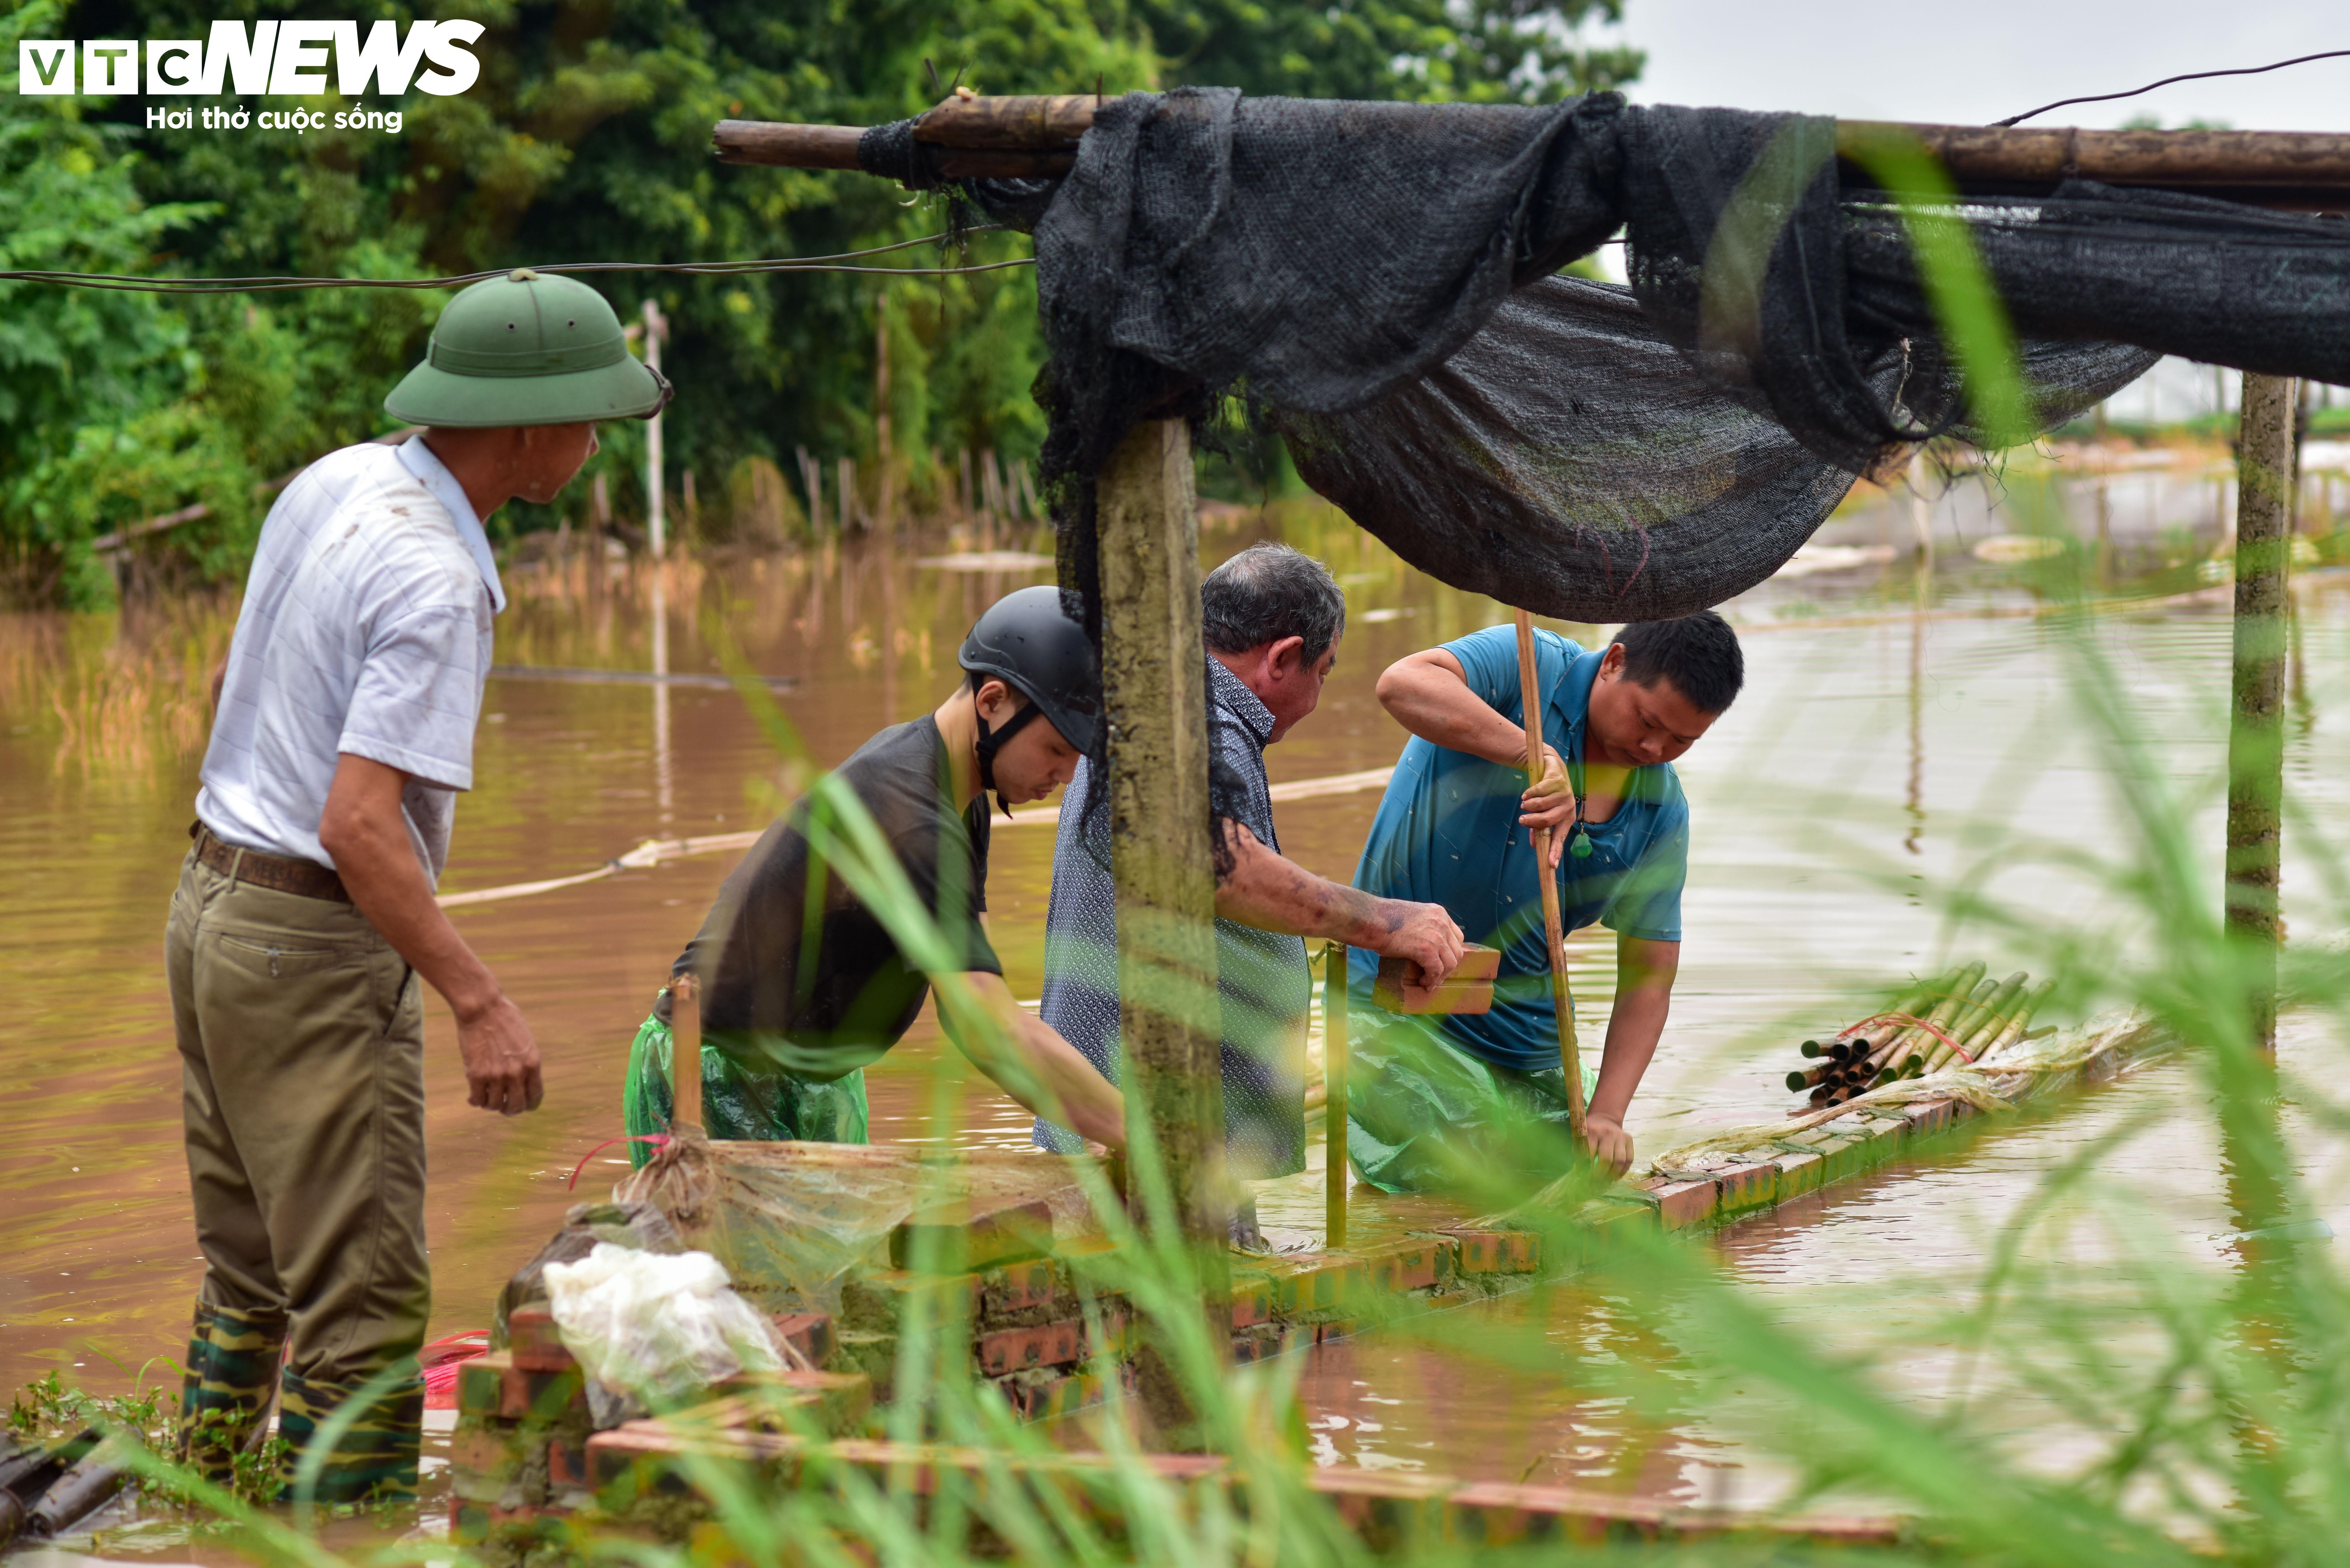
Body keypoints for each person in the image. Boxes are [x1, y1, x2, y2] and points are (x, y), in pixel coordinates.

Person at [168, 269, 665, 1501]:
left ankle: (209, 1507)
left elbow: (246, 674)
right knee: (368, 1317)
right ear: (528, 427)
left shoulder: (338, 478)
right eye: (590, 417)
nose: (598, 443)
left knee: (249, 1273)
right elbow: (359, 822)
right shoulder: (436, 575)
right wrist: (476, 995)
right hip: (305, 947)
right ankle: (346, 1531)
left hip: (209, 910)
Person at [624, 586, 1128, 1158]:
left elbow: (975, 999)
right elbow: (990, 1034)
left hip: (810, 1075)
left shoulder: (961, 800)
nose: (1064, 776)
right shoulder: (915, 818)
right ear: (993, 701)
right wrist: (1141, 1136)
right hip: (719, 1077)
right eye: (1057, 749)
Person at [1033, 544, 1466, 1200]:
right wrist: (1385, 923)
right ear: (1283, 656)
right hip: (1144, 1122)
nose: (1319, 695)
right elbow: (1223, 867)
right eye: (1323, 671)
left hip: (1142, 1109)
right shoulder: (1200, 720)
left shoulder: (1172, 702)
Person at [1344, 612, 1744, 1191]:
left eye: (1682, 740)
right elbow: (1401, 684)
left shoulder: (1661, 813)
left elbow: (1648, 979)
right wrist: (1535, 754)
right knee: (1458, 1178)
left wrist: (1607, 1114)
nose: (1655, 747)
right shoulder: (1528, 667)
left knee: (1575, 1173)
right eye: (1647, 720)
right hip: (1396, 1008)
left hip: (1530, 1034)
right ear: (1613, 662)